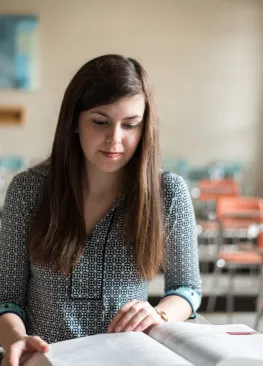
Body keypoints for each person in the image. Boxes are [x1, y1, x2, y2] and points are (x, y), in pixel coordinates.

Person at [0, 54, 201, 365]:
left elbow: (187, 288)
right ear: (74, 123)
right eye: (100, 121)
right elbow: (6, 299)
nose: (115, 139)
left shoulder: (168, 193)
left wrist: (158, 312)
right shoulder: (28, 191)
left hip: (127, 359)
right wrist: (18, 340)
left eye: (131, 125)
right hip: (45, 360)